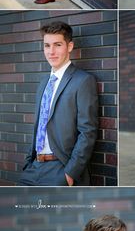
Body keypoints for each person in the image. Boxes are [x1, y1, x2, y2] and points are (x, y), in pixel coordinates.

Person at [19, 22, 98, 186]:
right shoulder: (43, 83)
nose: (51, 51)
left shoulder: (83, 80)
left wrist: (70, 172)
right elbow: (40, 124)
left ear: (69, 46)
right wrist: (28, 162)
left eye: (57, 45)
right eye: (47, 45)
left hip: (60, 168)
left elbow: (88, 130)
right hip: (33, 167)